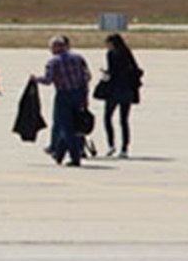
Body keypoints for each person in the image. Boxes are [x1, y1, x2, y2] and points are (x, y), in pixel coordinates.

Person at [33, 35, 90, 166]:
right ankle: (59, 154)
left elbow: (48, 80)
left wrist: (35, 79)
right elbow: (86, 77)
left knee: (66, 127)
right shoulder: (78, 58)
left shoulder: (53, 62)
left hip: (63, 95)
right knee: (76, 124)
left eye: (51, 47)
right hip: (79, 93)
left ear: (57, 47)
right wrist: (85, 96)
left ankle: (75, 157)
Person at [101, 33, 142, 158]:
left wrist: (105, 73)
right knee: (124, 120)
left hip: (114, 90)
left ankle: (111, 145)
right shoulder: (127, 52)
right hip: (127, 90)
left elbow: (112, 72)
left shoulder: (111, 54)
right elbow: (136, 69)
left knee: (107, 117)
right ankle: (124, 148)